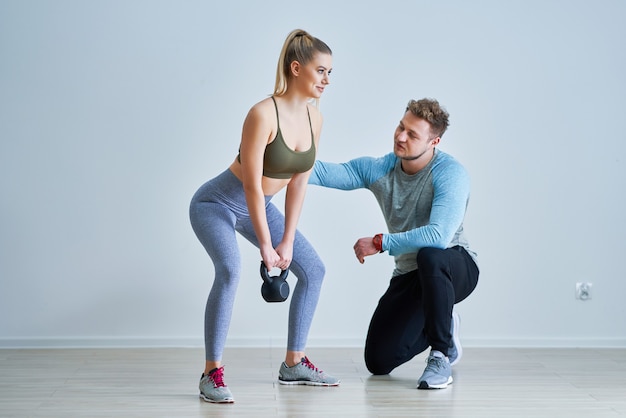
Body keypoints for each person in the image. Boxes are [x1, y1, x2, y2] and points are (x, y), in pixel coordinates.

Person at [189, 29, 339, 404]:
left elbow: (298, 183)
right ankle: (211, 374)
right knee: (231, 270)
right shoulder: (261, 113)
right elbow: (253, 188)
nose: (326, 80)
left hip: (260, 208)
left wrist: (287, 239)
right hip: (217, 205)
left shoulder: (315, 120)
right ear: (296, 68)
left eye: (330, 73)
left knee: (314, 270)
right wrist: (267, 246)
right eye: (320, 71)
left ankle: (293, 363)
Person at [309, 98, 479, 389]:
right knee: (378, 361)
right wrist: (272, 161)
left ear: (434, 141)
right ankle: (443, 320)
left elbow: (438, 236)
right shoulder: (382, 169)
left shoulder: (450, 173)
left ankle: (440, 354)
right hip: (410, 274)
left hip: (454, 265)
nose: (401, 137)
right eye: (401, 127)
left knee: (430, 256)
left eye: (412, 135)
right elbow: (324, 173)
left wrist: (380, 242)